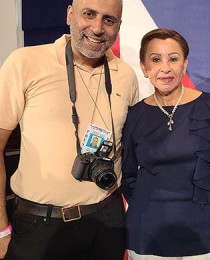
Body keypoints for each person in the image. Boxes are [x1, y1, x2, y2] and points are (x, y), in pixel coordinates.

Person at [0, 0, 138, 259]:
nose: (97, 28)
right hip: (40, 226)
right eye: (89, 14)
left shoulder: (126, 75)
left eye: (109, 20)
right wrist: (1, 231)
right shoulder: (25, 62)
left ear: (118, 26)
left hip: (107, 221)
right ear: (69, 14)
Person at [121, 28, 210, 260]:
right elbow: (128, 174)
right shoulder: (135, 114)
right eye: (155, 60)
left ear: (184, 64)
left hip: (204, 229)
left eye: (173, 59)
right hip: (146, 232)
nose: (165, 67)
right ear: (144, 67)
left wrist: (207, 204)